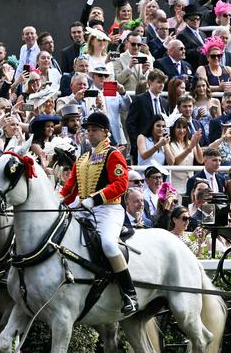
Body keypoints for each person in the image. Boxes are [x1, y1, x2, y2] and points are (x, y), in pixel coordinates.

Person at [59, 112, 137, 316]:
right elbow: (70, 189)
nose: (90, 134)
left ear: (105, 132)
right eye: (88, 130)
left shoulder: (113, 154)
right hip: (84, 208)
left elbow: (121, 184)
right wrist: (57, 201)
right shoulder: (83, 158)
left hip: (108, 209)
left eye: (94, 130)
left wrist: (95, 198)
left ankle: (129, 294)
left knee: (109, 244)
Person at [126, 69, 169, 163]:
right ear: (150, 82)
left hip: (161, 147)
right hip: (143, 146)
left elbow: (167, 124)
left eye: (163, 82)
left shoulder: (165, 102)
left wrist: (166, 141)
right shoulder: (140, 100)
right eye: (158, 82)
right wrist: (136, 144)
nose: (161, 85)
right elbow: (130, 123)